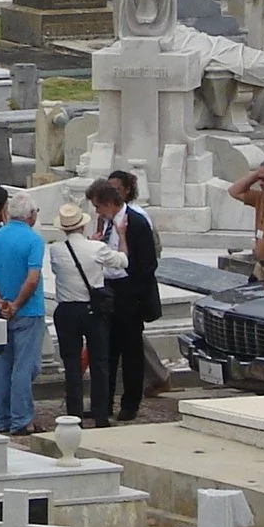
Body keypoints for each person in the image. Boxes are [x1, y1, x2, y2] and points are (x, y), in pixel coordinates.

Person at [0, 184, 44, 435]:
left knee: (2, 368)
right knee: (24, 367)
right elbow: (33, 278)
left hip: (0, 310)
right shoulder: (33, 240)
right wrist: (16, 304)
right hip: (28, 310)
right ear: (31, 215)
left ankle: (0, 418)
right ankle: (21, 419)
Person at [96, 170, 162, 422]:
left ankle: (130, 403)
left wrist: (134, 294)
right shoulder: (104, 223)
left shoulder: (136, 222)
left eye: (99, 206)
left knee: (131, 353)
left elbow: (147, 264)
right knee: (106, 351)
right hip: (108, 289)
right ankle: (104, 401)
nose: (98, 212)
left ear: (111, 203)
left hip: (129, 293)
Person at [51, 198, 123, 426]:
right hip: (92, 309)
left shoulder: (56, 250)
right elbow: (122, 261)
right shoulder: (97, 248)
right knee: (100, 363)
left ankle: (75, 414)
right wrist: (121, 237)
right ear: (82, 226)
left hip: (67, 309)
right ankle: (101, 414)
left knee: (71, 364)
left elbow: (58, 269)